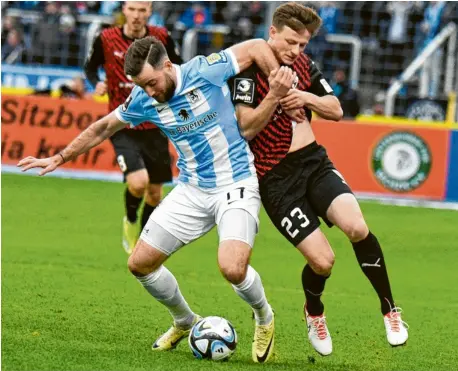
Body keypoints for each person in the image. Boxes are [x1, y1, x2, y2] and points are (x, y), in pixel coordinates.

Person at [18, 35, 295, 363]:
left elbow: (255, 47)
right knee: (139, 264)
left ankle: (263, 317)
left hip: (235, 185)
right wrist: (60, 158)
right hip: (192, 190)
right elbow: (104, 127)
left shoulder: (204, 71)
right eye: (140, 85)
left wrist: (279, 79)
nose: (148, 92)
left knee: (232, 268)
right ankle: (184, 321)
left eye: (150, 82)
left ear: (167, 65)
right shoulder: (142, 98)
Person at [229, 2, 408, 357]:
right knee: (323, 262)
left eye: (303, 45)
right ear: (272, 33)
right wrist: (277, 96)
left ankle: (390, 309)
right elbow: (247, 127)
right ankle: (314, 310)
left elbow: (337, 109)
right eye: (291, 42)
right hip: (276, 180)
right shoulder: (247, 72)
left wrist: (304, 95)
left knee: (357, 226)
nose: (296, 51)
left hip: (314, 164)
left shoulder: (303, 65)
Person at [84, 1, 183, 255]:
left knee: (154, 193)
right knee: (138, 183)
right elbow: (90, 67)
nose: (137, 15)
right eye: (132, 9)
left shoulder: (160, 37)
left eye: (142, 10)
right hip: (123, 123)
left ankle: (144, 237)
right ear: (124, 10)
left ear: (149, 11)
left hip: (156, 123)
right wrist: (97, 83)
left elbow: (179, 67)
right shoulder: (106, 38)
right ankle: (129, 219)